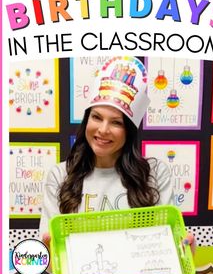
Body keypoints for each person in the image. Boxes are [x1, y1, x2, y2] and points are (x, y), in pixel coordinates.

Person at [39, 57, 194, 251]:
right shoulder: (60, 175)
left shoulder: (155, 174)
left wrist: (185, 250)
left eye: (116, 122)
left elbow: (173, 248)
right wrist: (49, 253)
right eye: (96, 117)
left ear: (128, 131)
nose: (103, 130)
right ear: (87, 120)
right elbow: (52, 258)